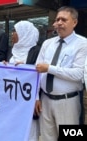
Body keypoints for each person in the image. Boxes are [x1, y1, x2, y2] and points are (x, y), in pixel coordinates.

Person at [35, 6, 87, 141]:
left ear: (74, 22)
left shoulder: (83, 44)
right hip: (45, 100)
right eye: (57, 19)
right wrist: (36, 97)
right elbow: (37, 71)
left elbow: (79, 74)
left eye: (63, 19)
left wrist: (50, 68)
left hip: (68, 102)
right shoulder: (47, 43)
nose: (59, 23)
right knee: (47, 138)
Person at [4, 21, 41, 141]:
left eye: (15, 31)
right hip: (12, 96)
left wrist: (25, 67)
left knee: (28, 131)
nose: (12, 34)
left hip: (28, 98)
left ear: (24, 33)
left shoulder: (36, 51)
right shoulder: (12, 50)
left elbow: (39, 74)